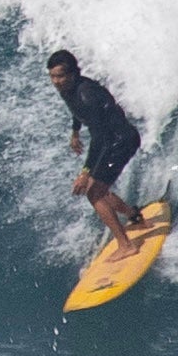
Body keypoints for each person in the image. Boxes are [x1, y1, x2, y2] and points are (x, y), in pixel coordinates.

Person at [48, 49, 143, 261]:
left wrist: (85, 172)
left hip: (120, 141)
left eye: (60, 76)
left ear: (73, 74)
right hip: (112, 140)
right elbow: (77, 112)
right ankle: (133, 215)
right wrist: (75, 132)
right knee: (97, 187)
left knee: (94, 193)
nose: (56, 81)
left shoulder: (86, 94)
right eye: (52, 76)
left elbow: (101, 139)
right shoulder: (68, 89)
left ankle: (126, 246)